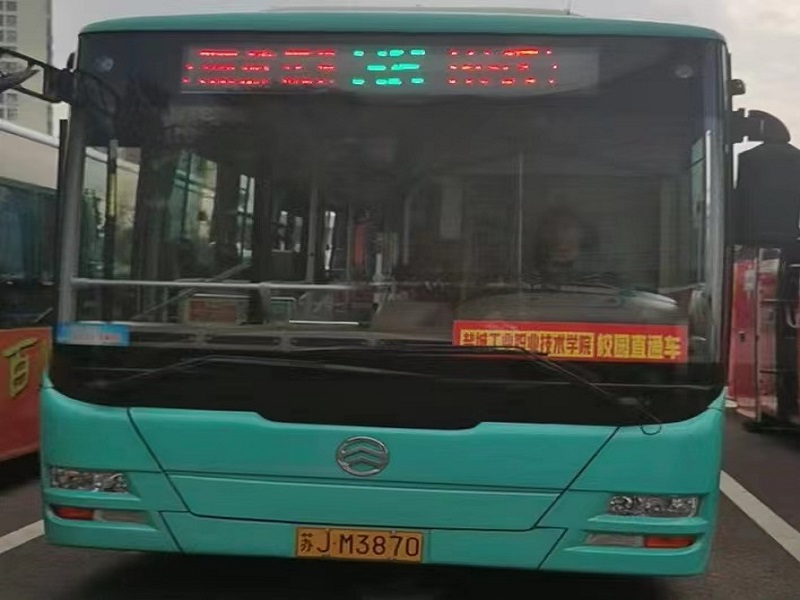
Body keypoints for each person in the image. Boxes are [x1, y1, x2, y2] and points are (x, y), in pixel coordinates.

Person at [531, 205, 620, 286]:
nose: (559, 234)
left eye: (566, 227)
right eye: (552, 229)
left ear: (581, 232)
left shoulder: (605, 277)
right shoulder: (533, 276)